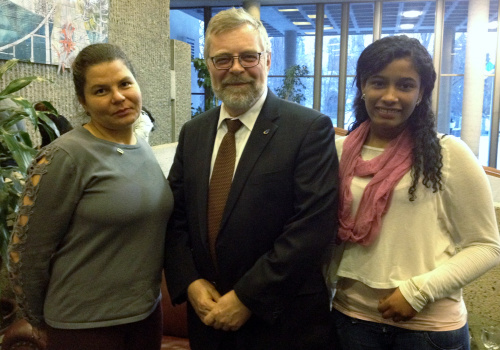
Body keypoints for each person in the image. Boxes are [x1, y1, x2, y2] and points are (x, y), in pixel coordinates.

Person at [164, 7, 338, 350]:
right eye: (223, 59)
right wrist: (192, 283)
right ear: (209, 66)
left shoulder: (308, 129)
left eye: (248, 56)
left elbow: (312, 227)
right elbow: (175, 216)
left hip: (282, 323)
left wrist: (246, 298)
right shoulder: (193, 132)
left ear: (268, 61)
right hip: (208, 319)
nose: (236, 68)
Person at [326, 35, 500, 350]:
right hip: (350, 319)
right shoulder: (339, 152)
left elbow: (486, 246)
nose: (390, 96)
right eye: (378, 83)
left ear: (421, 94)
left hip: (426, 330)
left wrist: (418, 292)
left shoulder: (448, 153)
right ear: (362, 85)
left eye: (405, 85)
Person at [8, 43, 173, 350]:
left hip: (145, 315)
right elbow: (26, 252)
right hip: (83, 325)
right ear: (83, 101)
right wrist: (36, 321)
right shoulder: (63, 156)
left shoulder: (142, 146)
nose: (118, 97)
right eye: (101, 90)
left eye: (125, 83)